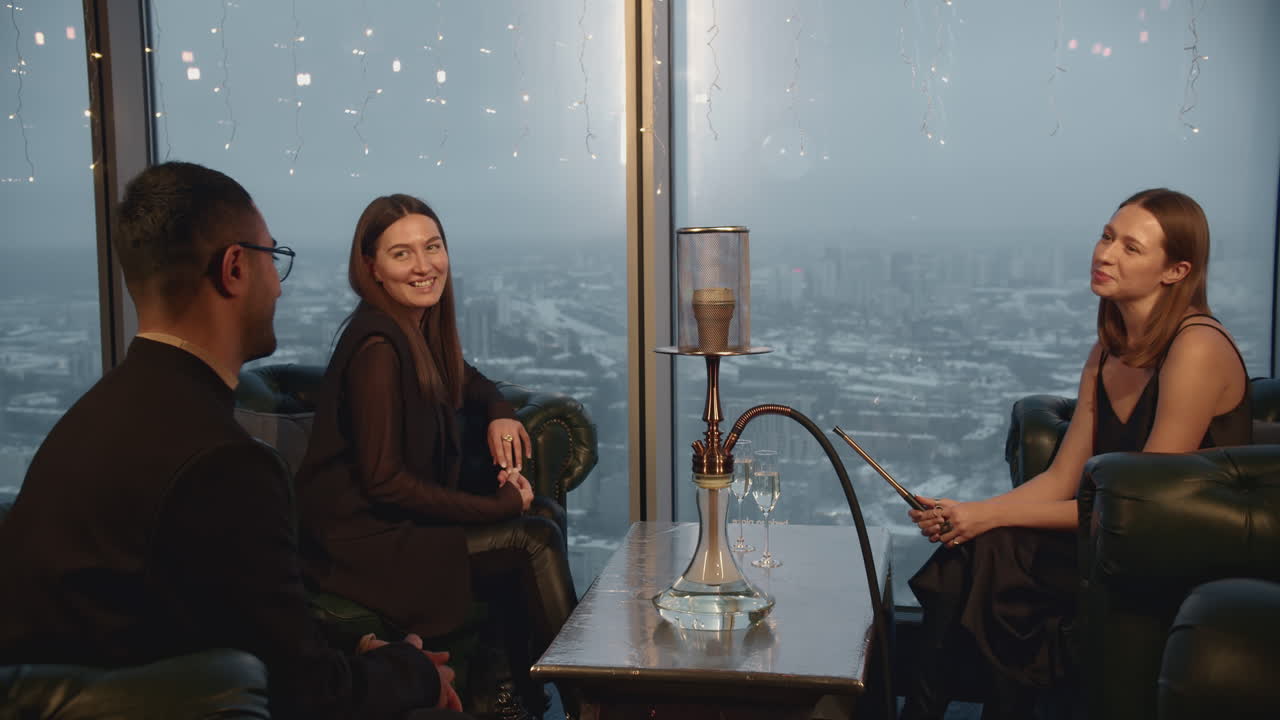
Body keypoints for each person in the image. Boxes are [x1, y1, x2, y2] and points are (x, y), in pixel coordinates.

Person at [0, 162, 468, 720]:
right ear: (235, 268)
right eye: (274, 258)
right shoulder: (225, 463)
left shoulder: (98, 415)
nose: (279, 285)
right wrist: (415, 672)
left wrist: (354, 654)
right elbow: (307, 695)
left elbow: (230, 628)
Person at [900, 188, 1252, 719]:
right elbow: (1062, 477)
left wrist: (986, 517)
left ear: (1176, 271)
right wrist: (969, 514)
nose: (1105, 254)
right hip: (1110, 538)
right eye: (1107, 236)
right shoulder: (1107, 350)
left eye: (1131, 248)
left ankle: (932, 709)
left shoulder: (1196, 346)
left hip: (1176, 549)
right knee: (975, 549)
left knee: (991, 552)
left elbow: (1140, 511)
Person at [294, 194, 577, 718]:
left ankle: (519, 695)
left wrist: (499, 412)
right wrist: (496, 508)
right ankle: (591, 702)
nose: (424, 265)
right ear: (372, 268)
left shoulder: (414, 328)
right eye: (402, 254)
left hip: (395, 525)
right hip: (364, 542)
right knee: (532, 537)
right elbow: (383, 481)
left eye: (433, 247)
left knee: (545, 515)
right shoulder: (378, 346)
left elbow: (468, 379)